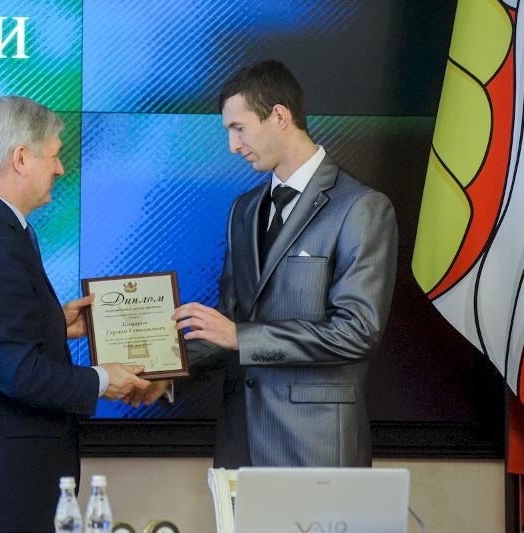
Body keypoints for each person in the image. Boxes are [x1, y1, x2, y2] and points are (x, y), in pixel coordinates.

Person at [0, 96, 150, 533]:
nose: (60, 169)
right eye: (54, 155)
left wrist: (53, 323)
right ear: (21, 158)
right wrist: (102, 380)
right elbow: (18, 372)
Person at [165, 60, 398, 468]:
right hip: (239, 444)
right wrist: (165, 377)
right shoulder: (243, 209)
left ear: (278, 116)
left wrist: (242, 338)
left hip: (315, 448)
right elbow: (231, 322)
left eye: (238, 128)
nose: (232, 146)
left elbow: (357, 332)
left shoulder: (361, 207)